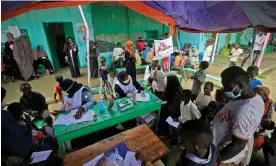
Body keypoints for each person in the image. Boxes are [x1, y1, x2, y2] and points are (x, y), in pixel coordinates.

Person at [212, 66, 264, 165]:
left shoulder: (247, 111)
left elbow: (238, 145)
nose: (226, 92)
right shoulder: (248, 98)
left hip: (225, 160)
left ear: (240, 86)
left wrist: (215, 161)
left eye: (228, 88)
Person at [1, 87, 33, 166]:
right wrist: (29, 125)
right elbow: (20, 139)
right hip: (12, 156)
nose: (3, 101)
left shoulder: (6, 115)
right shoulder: (4, 116)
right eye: (1, 99)